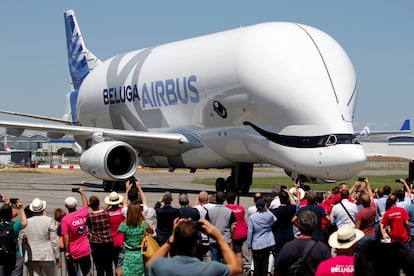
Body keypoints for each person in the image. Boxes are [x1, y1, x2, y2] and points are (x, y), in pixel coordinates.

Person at [146, 218, 242, 276]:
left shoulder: (161, 266)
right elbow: (236, 268)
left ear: (176, 241)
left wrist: (172, 238)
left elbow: (149, 263)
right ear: (197, 243)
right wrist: (220, 238)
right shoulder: (211, 269)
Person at [275, 210, 331, 276]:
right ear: (315, 225)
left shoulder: (288, 247)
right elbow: (329, 271)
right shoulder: (322, 249)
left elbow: (278, 270)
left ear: (298, 225)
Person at [24, 198, 60, 276]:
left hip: (32, 255)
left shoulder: (27, 222)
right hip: (46, 255)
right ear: (43, 209)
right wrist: (57, 256)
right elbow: (54, 240)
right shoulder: (49, 220)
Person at [61, 188, 92, 276]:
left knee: (73, 273)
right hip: (85, 250)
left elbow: (66, 236)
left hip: (73, 251)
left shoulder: (65, 220)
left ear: (66, 206)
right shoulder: (83, 214)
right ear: (75, 205)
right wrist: (82, 193)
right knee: (87, 272)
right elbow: (85, 205)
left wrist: (67, 251)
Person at [118, 200, 153, 276]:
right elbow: (152, 231)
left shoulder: (124, 226)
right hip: (140, 255)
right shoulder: (143, 224)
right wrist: (144, 218)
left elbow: (120, 230)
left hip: (128, 255)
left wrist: (128, 217)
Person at [247, 198, 276, 276]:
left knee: (257, 264)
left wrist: (249, 244)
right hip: (267, 242)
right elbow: (275, 219)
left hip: (257, 243)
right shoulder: (269, 215)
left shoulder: (252, 217)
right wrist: (267, 209)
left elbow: (250, 231)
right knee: (265, 264)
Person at [0, 197, 27, 276]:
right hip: (15, 255)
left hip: (1, 256)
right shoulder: (15, 225)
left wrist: (7, 205)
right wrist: (21, 208)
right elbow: (25, 222)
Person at [207, 191, 236, 263]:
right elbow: (233, 227)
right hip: (225, 239)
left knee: (215, 262)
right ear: (224, 199)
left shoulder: (210, 211)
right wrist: (231, 237)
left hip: (213, 239)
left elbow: (206, 225)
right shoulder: (229, 212)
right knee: (225, 263)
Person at [88, 195, 114, 276]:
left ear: (90, 205)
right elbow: (103, 210)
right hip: (108, 241)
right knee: (109, 266)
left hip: (96, 242)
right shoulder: (106, 213)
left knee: (99, 266)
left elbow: (89, 227)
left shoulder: (90, 216)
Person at [270, 189, 296, 268]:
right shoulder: (291, 209)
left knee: (277, 256)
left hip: (277, 236)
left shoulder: (274, 211)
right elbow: (294, 203)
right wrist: (288, 193)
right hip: (288, 235)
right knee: (288, 256)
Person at [226, 191, 248, 273]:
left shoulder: (226, 208)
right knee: (238, 250)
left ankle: (239, 271)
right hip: (243, 231)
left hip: (235, 233)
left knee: (237, 252)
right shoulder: (241, 208)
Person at [104, 191, 125, 268]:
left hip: (110, 241)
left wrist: (106, 206)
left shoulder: (106, 213)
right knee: (120, 264)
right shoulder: (122, 211)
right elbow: (128, 208)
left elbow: (100, 212)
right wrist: (122, 203)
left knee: (110, 264)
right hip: (121, 241)